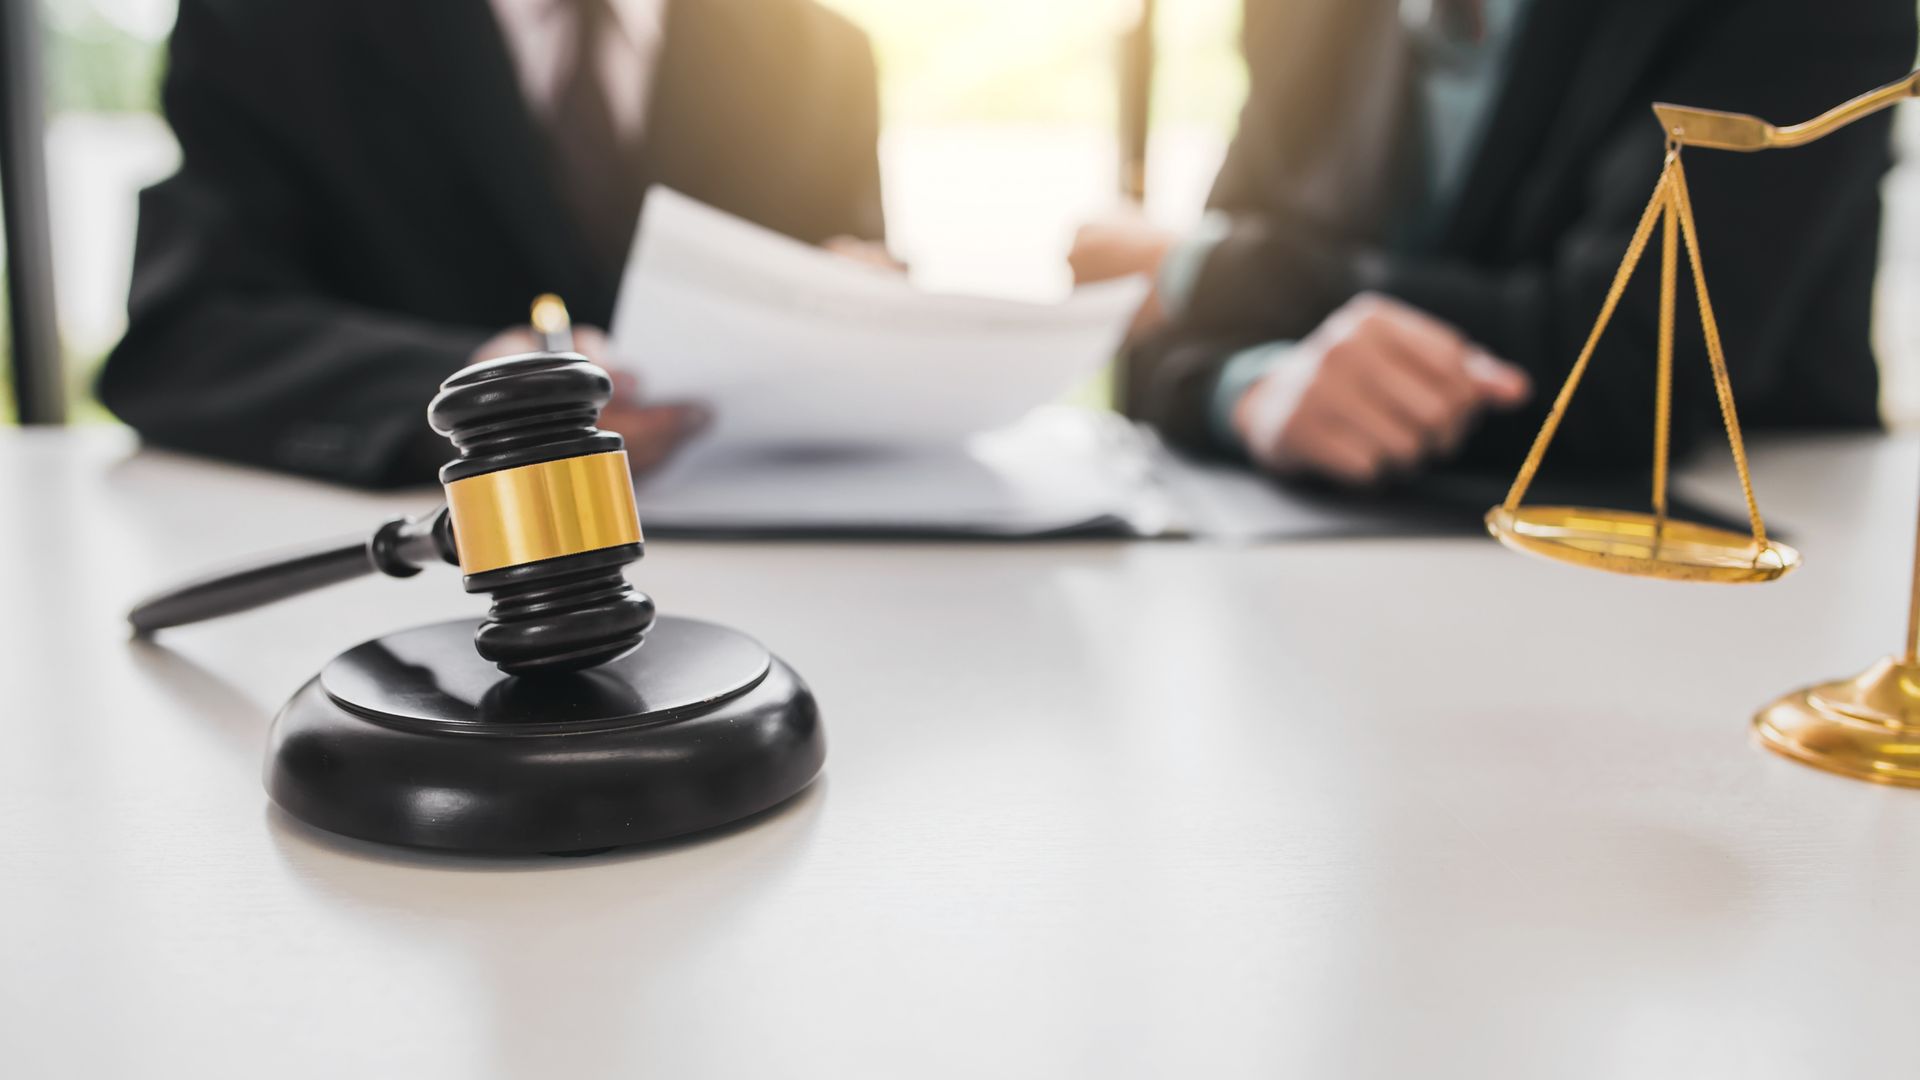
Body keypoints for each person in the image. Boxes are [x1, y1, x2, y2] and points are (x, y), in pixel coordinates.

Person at [1073, 0, 1917, 485]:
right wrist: (1251, 391)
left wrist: (1206, 267)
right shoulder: (1308, 15)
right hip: (1348, 590)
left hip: (1734, 590)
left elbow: (1631, 365)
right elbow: (1161, 346)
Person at [100, 0, 887, 487]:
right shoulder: (269, 20)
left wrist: (869, 312)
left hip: (781, 577)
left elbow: (860, 297)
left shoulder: (819, 55)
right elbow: (185, 341)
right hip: (423, 577)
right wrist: (472, 391)